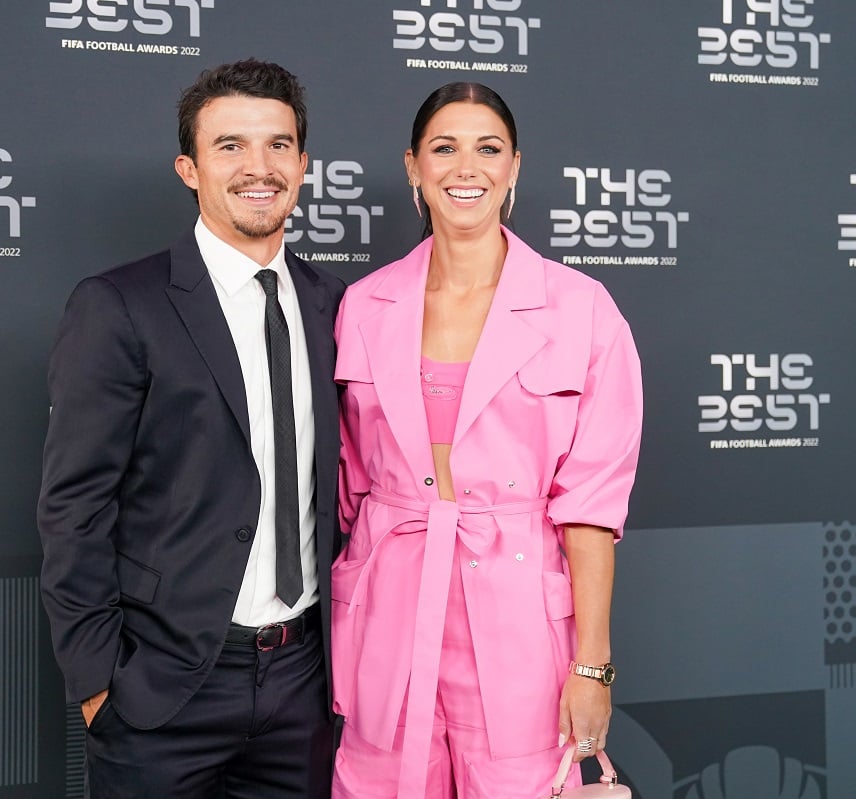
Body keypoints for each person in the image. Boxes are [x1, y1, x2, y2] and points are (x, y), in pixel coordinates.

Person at [37, 59, 345, 799]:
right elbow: (74, 505)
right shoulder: (121, 305)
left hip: (304, 685)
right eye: (230, 145)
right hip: (160, 690)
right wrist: (98, 681)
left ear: (303, 164)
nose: (258, 167)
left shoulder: (338, 307)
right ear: (189, 167)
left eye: (278, 145)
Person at [330, 82, 643, 798]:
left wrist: (591, 665)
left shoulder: (582, 309)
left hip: (516, 619)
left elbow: (591, 505)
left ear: (514, 168)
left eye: (487, 148)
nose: (464, 167)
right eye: (443, 148)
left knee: (520, 782)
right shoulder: (364, 305)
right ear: (413, 167)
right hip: (385, 609)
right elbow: (345, 484)